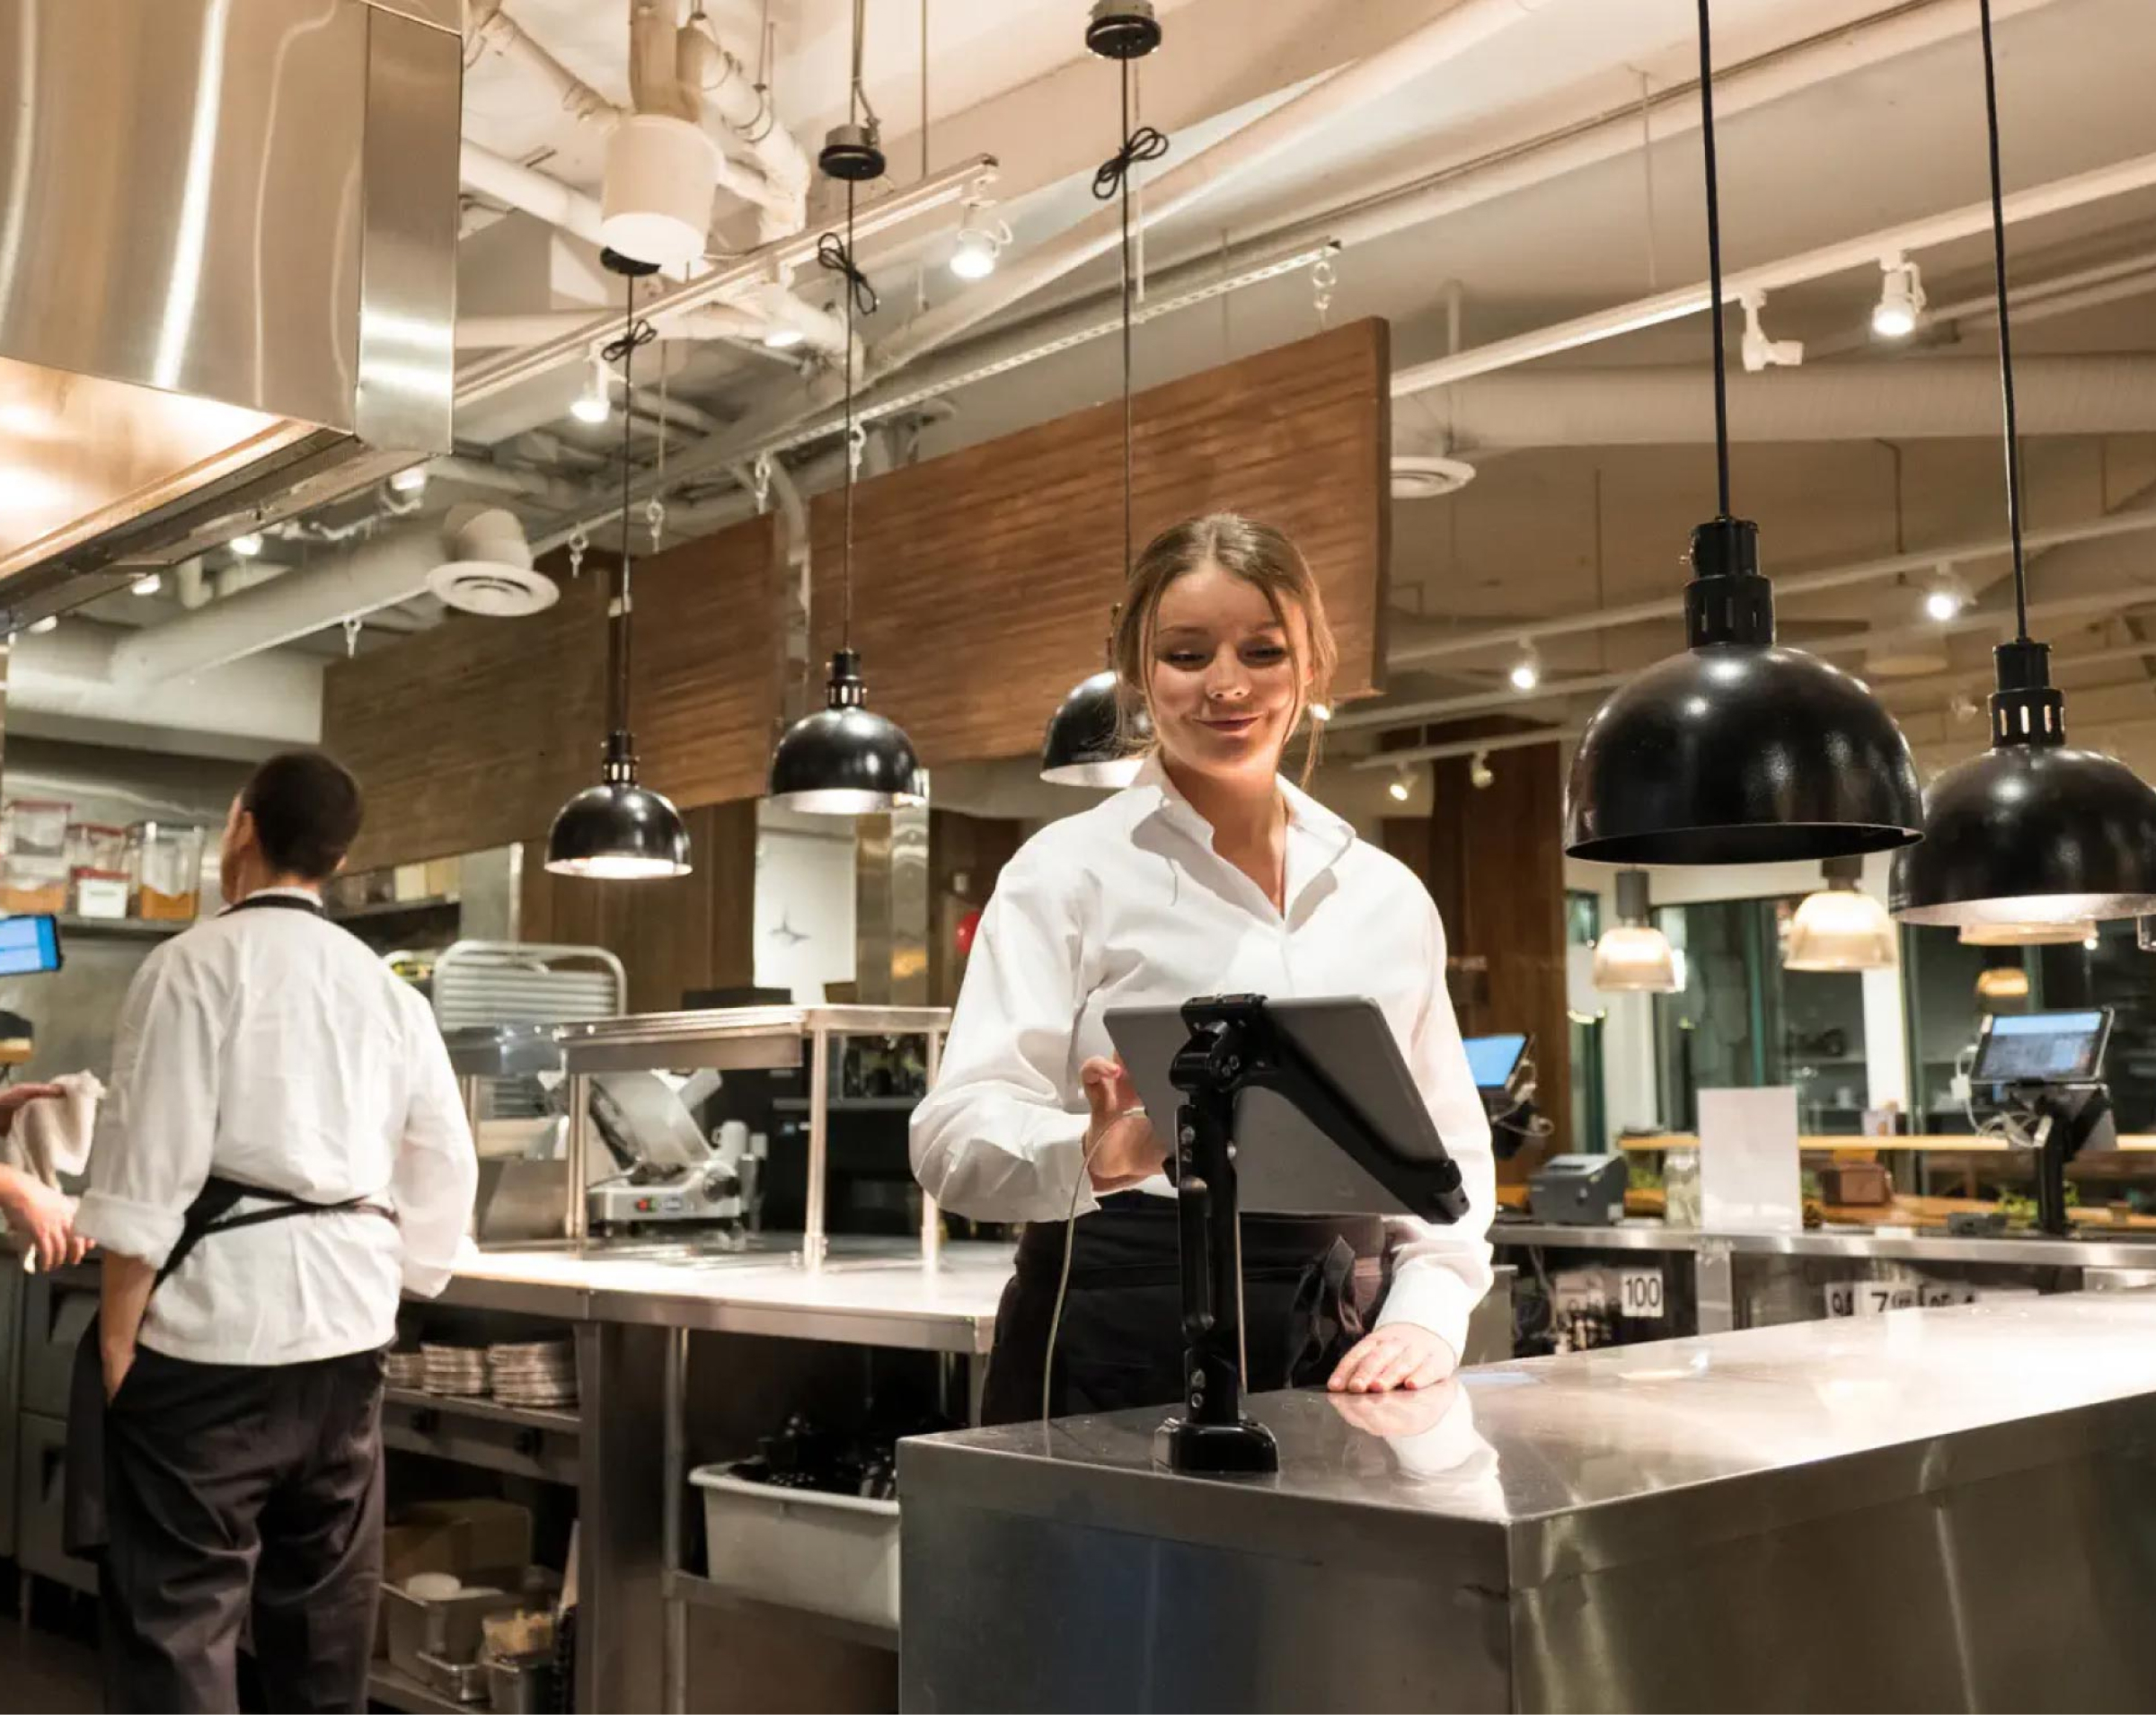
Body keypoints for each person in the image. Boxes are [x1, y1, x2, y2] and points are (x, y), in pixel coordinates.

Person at [911, 513, 1495, 1425]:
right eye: (1187, 654)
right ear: (1140, 671)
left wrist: (1429, 1313)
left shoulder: (1387, 895)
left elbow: (1450, 1150)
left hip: (1347, 1349)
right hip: (1112, 1332)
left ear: (1312, 662)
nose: (1227, 685)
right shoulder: (1064, 871)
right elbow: (950, 1136)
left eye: (1263, 651)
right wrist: (1090, 1153)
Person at [70, 750, 479, 1714]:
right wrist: (399, 1280)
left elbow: (146, 1168)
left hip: (211, 1341)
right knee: (323, 1626)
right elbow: (444, 1165)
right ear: (336, 858)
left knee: (178, 1622)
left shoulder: (189, 966)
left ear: (242, 830)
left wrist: (120, 1336)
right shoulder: (389, 993)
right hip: (345, 1343)